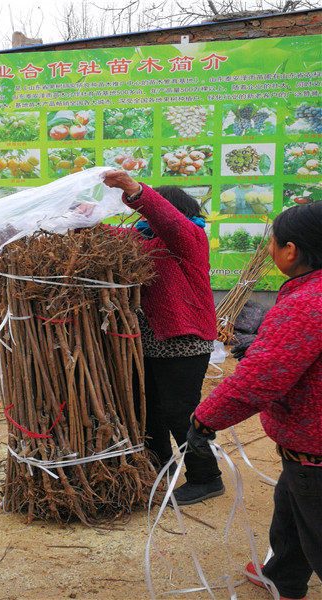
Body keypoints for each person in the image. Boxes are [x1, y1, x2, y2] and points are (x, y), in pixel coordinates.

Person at [187, 201, 322, 600]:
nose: (270, 250)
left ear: (291, 251)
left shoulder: (306, 304)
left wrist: (205, 419)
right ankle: (283, 577)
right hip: (305, 448)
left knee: (313, 515)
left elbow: (261, 379)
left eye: (274, 243)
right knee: (291, 506)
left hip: (314, 446)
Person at [103, 169, 223, 505]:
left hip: (185, 342)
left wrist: (135, 190)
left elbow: (168, 222)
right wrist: (84, 219)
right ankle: (160, 469)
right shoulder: (142, 239)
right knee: (149, 409)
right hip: (149, 341)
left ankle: (206, 477)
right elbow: (109, 236)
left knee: (179, 411)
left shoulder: (189, 238)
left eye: (150, 209)